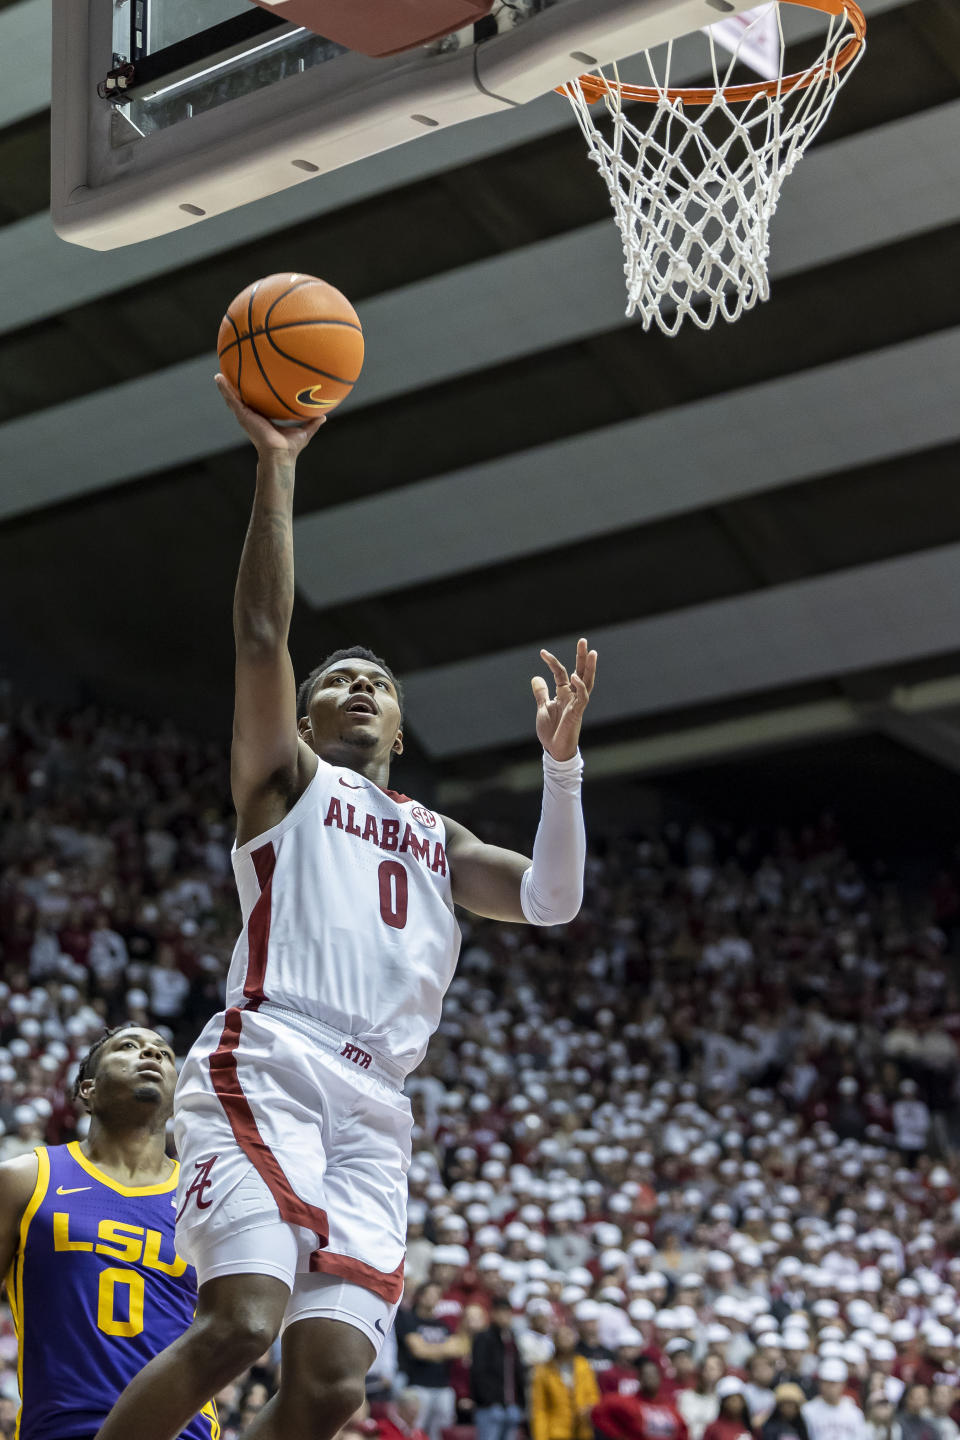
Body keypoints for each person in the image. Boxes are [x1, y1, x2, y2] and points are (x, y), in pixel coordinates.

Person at [93, 376, 597, 1440]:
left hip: (378, 1108)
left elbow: (553, 901)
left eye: (378, 682)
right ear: (309, 720)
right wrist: (278, 469)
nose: (359, 687)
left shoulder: (438, 839)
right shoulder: (285, 784)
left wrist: (563, 772)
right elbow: (262, 635)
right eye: (339, 681)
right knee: (240, 1323)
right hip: (273, 1055)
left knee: (328, 1388)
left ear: (402, 733)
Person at [0, 1024, 218, 1440]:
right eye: (130, 1047)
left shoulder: (205, 1198)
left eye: (163, 1053)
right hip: (61, 1430)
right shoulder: (25, 1179)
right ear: (88, 1090)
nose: (150, 1055)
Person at [394, 1281, 468, 1440]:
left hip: (443, 1386)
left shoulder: (443, 1325)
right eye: (430, 1294)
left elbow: (459, 1349)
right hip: (417, 1385)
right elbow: (418, 1350)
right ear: (420, 1296)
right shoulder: (409, 1320)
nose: (434, 1298)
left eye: (437, 1295)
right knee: (415, 1430)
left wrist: (429, 1349)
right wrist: (443, 1349)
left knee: (442, 1433)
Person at [530, 1324, 600, 1440]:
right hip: (557, 1432)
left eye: (568, 1335)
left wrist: (589, 1409)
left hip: (582, 1431)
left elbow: (593, 1395)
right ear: (554, 1340)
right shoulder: (543, 1371)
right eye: (561, 1336)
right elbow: (539, 1409)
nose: (565, 1339)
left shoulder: (583, 1365)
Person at [593, 1356, 690, 1440]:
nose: (650, 1378)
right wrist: (618, 1436)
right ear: (639, 1378)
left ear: (660, 1379)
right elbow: (598, 1412)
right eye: (646, 1374)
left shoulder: (669, 1407)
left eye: (654, 1374)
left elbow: (683, 1431)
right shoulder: (626, 1402)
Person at [471, 1296, 527, 1440]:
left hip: (511, 1407)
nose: (504, 1316)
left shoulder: (511, 1338)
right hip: (491, 1407)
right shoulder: (483, 1338)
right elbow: (478, 1372)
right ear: (493, 1314)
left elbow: (517, 1371)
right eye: (500, 1312)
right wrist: (489, 1400)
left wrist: (520, 1402)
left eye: (507, 1312)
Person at [803, 1362, 870, 1440]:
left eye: (834, 1383)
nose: (830, 1386)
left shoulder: (854, 1413)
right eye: (826, 1382)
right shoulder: (807, 1410)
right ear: (820, 1383)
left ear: (843, 1384)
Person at [677, 1356, 724, 1440]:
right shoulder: (687, 1396)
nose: (708, 1372)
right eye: (706, 1368)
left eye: (713, 1369)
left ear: (721, 1372)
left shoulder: (722, 1401)